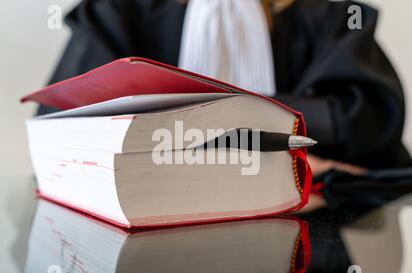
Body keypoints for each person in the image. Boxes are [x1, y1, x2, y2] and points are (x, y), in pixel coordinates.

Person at [37, 0, 411, 173]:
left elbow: (371, 122)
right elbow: (63, 126)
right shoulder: (118, 14)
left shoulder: (329, 18)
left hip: (307, 225)